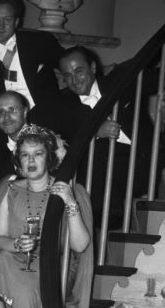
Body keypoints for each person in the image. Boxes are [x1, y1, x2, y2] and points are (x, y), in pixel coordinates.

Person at [0, 124, 92, 308]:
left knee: (25, 292)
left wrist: (70, 202)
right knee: (0, 259)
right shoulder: (9, 189)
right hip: (14, 260)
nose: (31, 161)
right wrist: (17, 244)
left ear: (49, 158)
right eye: (25, 155)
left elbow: (80, 246)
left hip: (52, 265)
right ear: (18, 161)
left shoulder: (68, 190)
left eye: (38, 154)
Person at [58, 46, 163, 228]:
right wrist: (95, 131)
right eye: (67, 75)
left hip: (149, 159)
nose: (74, 80)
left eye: (79, 71)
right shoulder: (64, 105)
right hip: (112, 173)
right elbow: (67, 135)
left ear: (93, 67)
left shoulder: (118, 83)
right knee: (95, 153)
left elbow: (156, 77)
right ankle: (109, 222)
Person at [0, 0, 65, 153]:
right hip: (5, 131)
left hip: (47, 124)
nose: (1, 26)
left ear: (16, 22)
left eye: (7, 20)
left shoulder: (39, 42)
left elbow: (69, 64)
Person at [0, 91, 29, 185]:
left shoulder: (45, 141)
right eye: (0, 112)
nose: (6, 117)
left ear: (25, 112)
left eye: (12, 110)